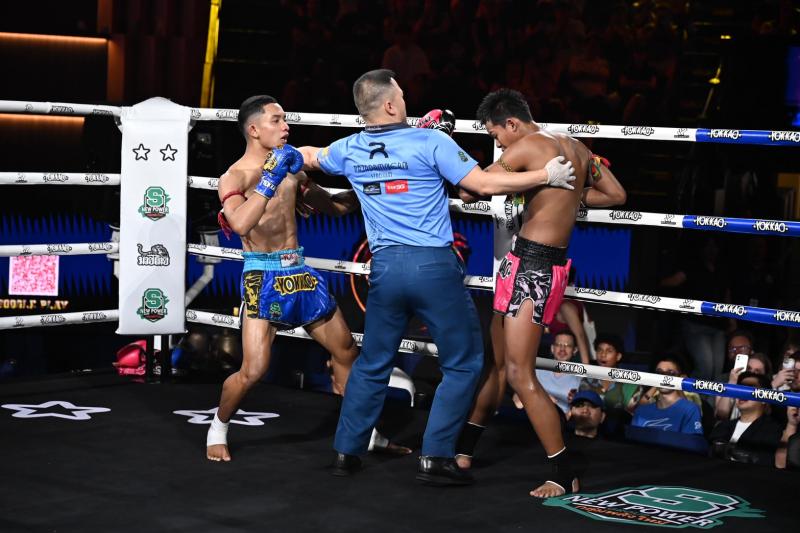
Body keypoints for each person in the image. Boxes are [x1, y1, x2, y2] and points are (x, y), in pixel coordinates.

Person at [297, 69, 577, 485]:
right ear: (389, 104)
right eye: (401, 94)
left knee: (373, 362)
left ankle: (345, 452)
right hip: (432, 267)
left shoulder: (348, 148)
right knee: (464, 362)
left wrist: (278, 163)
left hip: (384, 268)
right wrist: (544, 176)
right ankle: (436, 456)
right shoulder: (430, 142)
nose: (405, 98)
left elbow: (306, 155)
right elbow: (482, 184)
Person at [207, 95, 406, 462]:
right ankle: (218, 427)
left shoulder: (292, 169)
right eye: (276, 120)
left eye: (285, 119)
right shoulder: (234, 177)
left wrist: (373, 180)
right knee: (254, 369)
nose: (286, 126)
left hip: (299, 272)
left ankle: (366, 432)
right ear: (254, 129)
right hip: (262, 274)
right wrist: (269, 180)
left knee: (347, 352)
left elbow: (336, 207)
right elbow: (239, 224)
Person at [454, 88, 625, 498]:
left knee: (519, 373)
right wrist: (564, 195)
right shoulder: (577, 148)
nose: (499, 144)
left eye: (497, 135)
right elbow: (616, 195)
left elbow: (471, 190)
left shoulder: (528, 146)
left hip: (532, 268)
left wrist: (527, 182)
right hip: (537, 265)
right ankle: (464, 449)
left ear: (511, 123)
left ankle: (564, 472)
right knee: (497, 363)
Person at [709, 372, 782, 467]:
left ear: (764, 398)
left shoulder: (772, 430)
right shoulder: (723, 426)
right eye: (741, 388)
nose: (743, 392)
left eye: (750, 388)